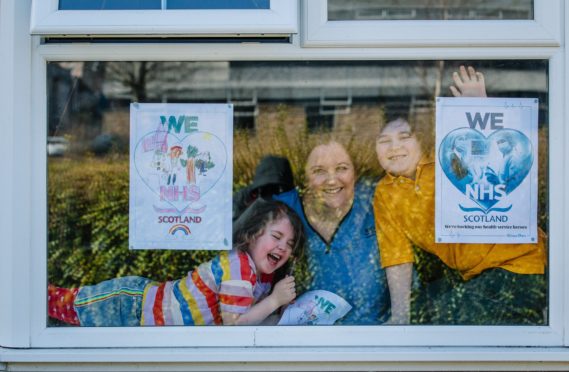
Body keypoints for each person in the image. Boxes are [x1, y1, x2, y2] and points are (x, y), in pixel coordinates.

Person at [372, 66, 546, 325]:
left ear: (421, 141)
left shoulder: (450, 159)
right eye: (384, 140)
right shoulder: (385, 194)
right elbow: (397, 256)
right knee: (430, 320)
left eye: (404, 137)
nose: (394, 147)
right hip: (475, 278)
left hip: (520, 264)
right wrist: (400, 316)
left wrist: (480, 109)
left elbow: (505, 159)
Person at [48, 199, 305, 327]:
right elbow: (235, 325)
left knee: (62, 309)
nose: (283, 246)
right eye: (276, 236)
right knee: (62, 304)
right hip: (130, 304)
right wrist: (274, 301)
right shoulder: (239, 265)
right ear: (251, 235)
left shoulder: (256, 275)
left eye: (290, 244)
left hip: (142, 308)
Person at [275, 141, 390, 325]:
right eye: (319, 171)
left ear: (355, 173)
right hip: (301, 344)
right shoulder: (282, 210)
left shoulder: (376, 205)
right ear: (304, 178)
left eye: (342, 168)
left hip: (371, 340)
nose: (331, 179)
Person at [233, 155, 295, 221]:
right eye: (268, 189)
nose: (272, 194)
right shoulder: (243, 199)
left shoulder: (289, 197)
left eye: (277, 189)